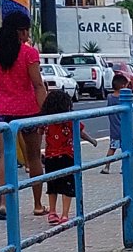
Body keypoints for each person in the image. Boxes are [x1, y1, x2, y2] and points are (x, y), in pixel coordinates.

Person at [0, 11, 47, 219]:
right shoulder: (29, 54)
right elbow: (38, 84)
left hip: (1, 110)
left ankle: (3, 204)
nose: (28, 35)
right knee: (33, 156)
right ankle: (38, 204)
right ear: (21, 32)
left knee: (4, 156)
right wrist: (45, 113)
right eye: (26, 31)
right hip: (27, 110)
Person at [39, 90, 98, 225]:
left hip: (51, 156)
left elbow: (39, 132)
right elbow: (80, 132)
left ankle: (52, 212)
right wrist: (91, 140)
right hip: (67, 155)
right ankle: (65, 214)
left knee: (52, 185)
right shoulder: (70, 119)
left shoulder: (45, 120)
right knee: (68, 186)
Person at [100, 74, 129, 174]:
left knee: (112, 148)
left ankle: (106, 167)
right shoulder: (124, 98)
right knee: (126, 149)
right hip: (126, 128)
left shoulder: (110, 97)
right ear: (123, 86)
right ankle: (124, 168)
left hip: (114, 129)